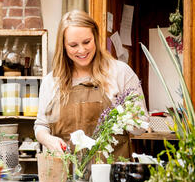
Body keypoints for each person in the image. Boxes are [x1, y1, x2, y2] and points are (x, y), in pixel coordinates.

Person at [34, 9, 149, 163]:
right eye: (73, 45)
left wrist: (123, 117)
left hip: (112, 176)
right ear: (63, 46)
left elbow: (142, 124)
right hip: (65, 176)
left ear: (95, 37)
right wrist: (49, 140)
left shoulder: (119, 72)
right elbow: (41, 126)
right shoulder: (52, 81)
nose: (82, 50)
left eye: (87, 42)